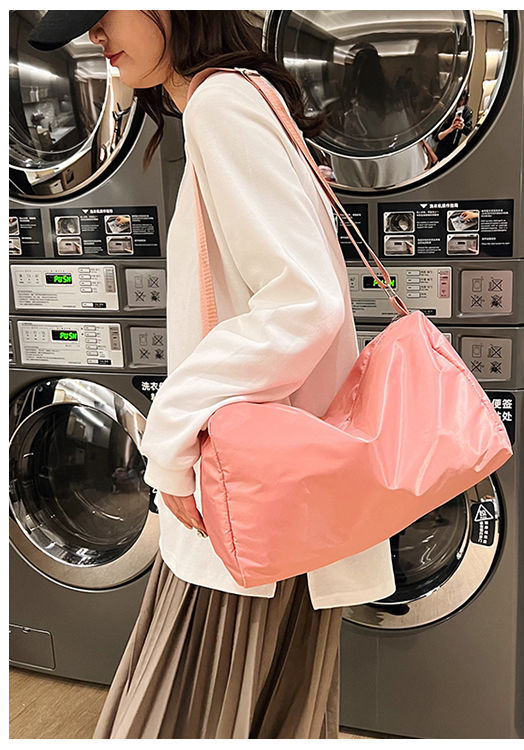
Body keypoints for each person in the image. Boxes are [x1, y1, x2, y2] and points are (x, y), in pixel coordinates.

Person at [27, 11, 396, 739]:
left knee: (180, 713)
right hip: (282, 488)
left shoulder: (222, 104)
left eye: (103, 12)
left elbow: (302, 303)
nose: (94, 34)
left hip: (240, 491)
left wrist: (168, 440)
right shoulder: (245, 97)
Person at [433, 89, 474, 161]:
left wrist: (462, 127)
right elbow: (436, 137)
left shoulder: (468, 112)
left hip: (454, 149)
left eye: (462, 99)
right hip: (441, 148)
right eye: (459, 98)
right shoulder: (448, 109)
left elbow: (470, 132)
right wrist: (451, 128)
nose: (460, 102)